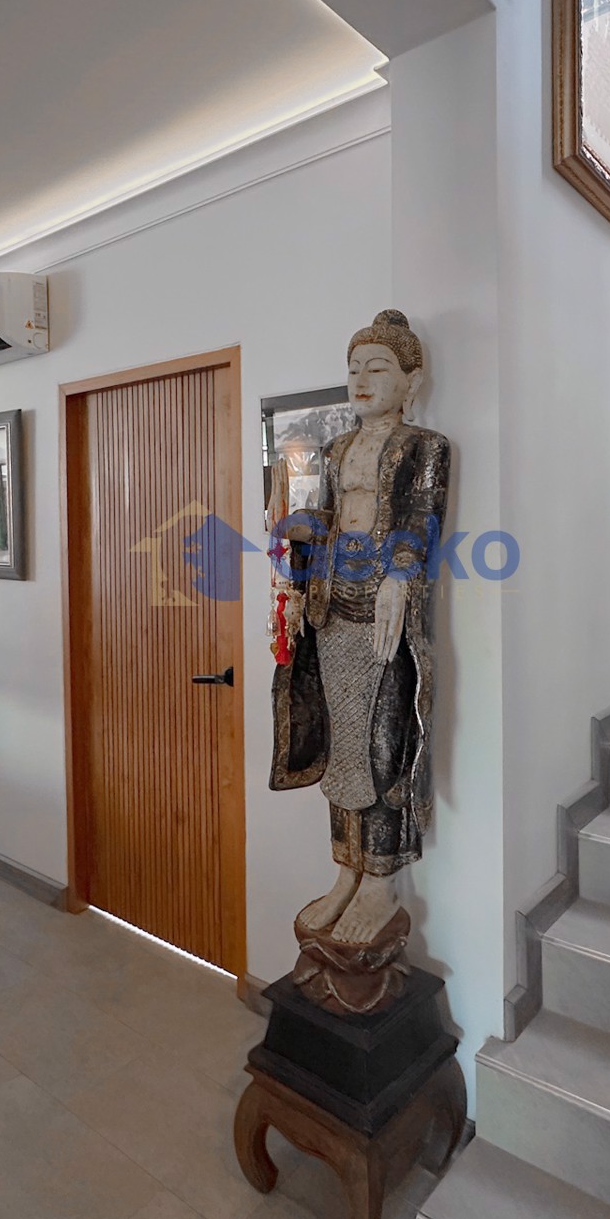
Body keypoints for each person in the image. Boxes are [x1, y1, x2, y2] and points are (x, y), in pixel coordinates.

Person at [270, 310, 451, 949]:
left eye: (378, 368)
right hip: (334, 609)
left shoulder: (425, 447)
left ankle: (380, 878)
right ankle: (345, 868)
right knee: (340, 740)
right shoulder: (337, 448)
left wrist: (400, 576)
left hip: (384, 610)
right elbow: (325, 516)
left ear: (411, 380)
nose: (362, 381)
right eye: (354, 370)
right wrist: (297, 548)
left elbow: (422, 516)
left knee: (383, 739)